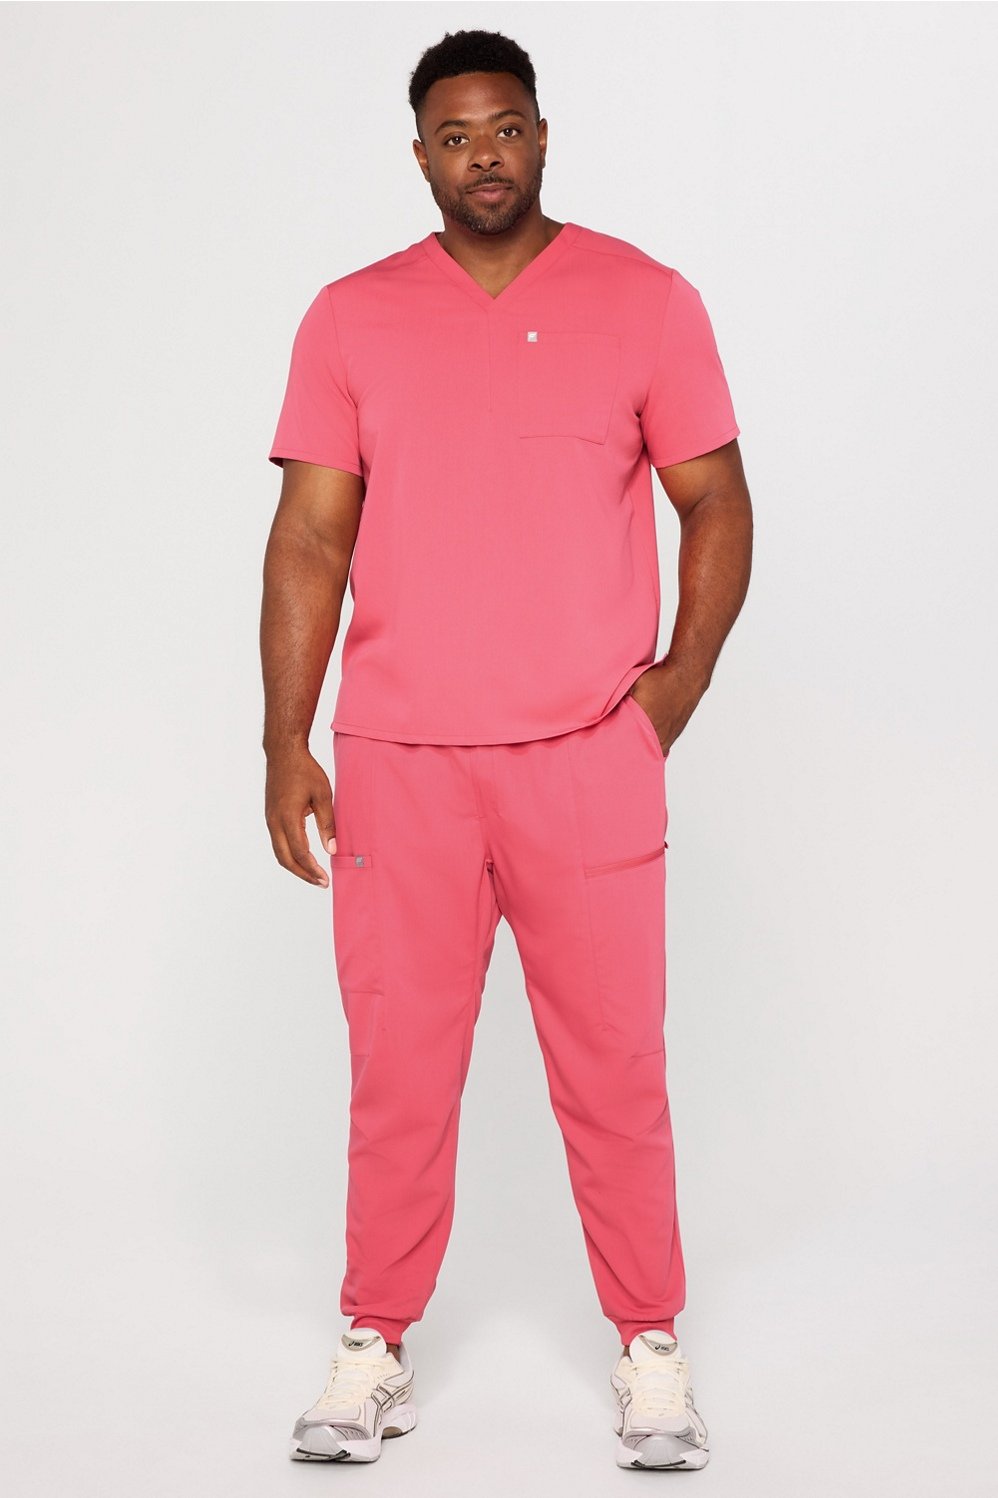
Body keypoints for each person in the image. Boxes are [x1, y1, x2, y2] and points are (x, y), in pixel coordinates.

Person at [261, 27, 752, 1472]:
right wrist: (284, 736)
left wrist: (670, 691)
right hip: (400, 757)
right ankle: (374, 1342)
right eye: (456, 135)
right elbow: (309, 538)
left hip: (583, 754)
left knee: (614, 1064)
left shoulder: (646, 300)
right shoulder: (350, 317)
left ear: (543, 135)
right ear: (420, 155)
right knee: (398, 1068)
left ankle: (650, 1348)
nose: (485, 154)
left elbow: (717, 500)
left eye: (508, 127)